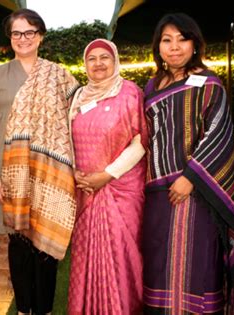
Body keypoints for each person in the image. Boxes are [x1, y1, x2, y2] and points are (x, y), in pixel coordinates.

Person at [142, 13, 234, 314]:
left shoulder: (208, 83)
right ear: (158, 46)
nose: (174, 47)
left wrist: (190, 177)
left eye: (182, 38)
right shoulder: (151, 86)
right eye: (167, 40)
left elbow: (218, 132)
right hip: (156, 194)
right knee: (158, 265)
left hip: (197, 191)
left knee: (194, 264)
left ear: (195, 43)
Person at [0, 8, 79, 315]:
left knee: (45, 244)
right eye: (17, 33)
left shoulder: (59, 74)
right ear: (10, 38)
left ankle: (45, 309)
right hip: (9, 172)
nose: (23, 39)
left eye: (30, 32)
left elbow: (77, 118)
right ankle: (24, 309)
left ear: (41, 36)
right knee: (19, 242)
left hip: (49, 171)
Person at [67, 38, 147, 315]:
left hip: (120, 190)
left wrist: (107, 175)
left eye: (105, 57)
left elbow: (140, 144)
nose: (98, 63)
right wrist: (74, 170)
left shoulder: (130, 93)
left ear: (115, 61)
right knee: (86, 258)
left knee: (120, 256)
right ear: (85, 64)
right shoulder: (78, 97)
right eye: (92, 58)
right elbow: (69, 139)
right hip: (84, 190)